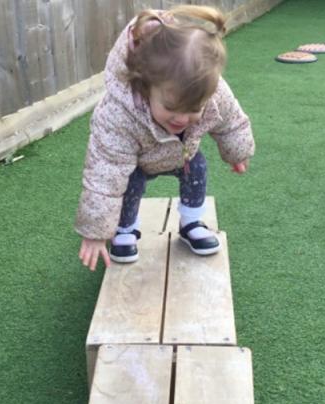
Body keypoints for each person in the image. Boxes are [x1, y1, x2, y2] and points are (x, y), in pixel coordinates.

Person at [76, 5, 255, 271]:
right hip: (138, 160)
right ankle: (125, 229)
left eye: (194, 109)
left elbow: (230, 120)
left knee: (196, 168)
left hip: (183, 155)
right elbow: (106, 172)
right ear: (146, 86)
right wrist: (96, 231)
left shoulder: (214, 91)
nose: (182, 119)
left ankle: (191, 222)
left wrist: (237, 152)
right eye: (171, 109)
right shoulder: (119, 113)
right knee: (129, 180)